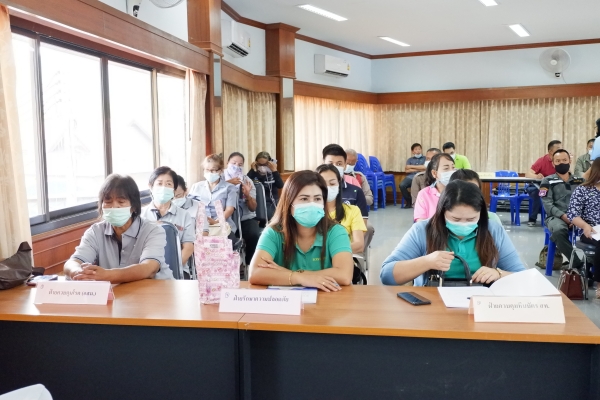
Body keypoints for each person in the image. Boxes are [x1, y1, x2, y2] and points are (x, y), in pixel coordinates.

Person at [380, 181, 525, 286]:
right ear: (442, 212)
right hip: (432, 305)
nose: (463, 224)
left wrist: (499, 274)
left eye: (471, 219)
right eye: (455, 219)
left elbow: (523, 277)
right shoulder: (422, 230)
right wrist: (427, 262)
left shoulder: (492, 230)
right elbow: (386, 275)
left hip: (479, 304)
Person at [249, 170, 354, 291]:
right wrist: (300, 278)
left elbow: (344, 275)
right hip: (285, 301)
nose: (312, 204)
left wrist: (286, 273)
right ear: (289, 203)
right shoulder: (273, 233)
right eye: (304, 199)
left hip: (328, 298)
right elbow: (255, 273)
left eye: (317, 199)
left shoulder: (336, 231)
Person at [64, 174, 173, 282]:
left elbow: (149, 268)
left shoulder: (153, 231)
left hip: (156, 290)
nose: (114, 207)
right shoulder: (95, 232)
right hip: (117, 291)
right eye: (108, 202)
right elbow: (73, 262)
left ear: (133, 206)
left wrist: (106, 275)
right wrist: (78, 272)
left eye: (121, 202)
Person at [140, 166, 195, 278]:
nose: (163, 188)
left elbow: (188, 247)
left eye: (168, 184)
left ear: (174, 189)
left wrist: (172, 269)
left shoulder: (184, 215)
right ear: (151, 186)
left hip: (177, 271)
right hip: (146, 272)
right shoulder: (140, 215)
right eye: (159, 183)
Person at [539, 149, 584, 270]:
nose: (561, 163)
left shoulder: (580, 180)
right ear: (553, 163)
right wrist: (565, 217)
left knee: (594, 230)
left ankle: (591, 262)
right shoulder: (547, 181)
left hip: (578, 216)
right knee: (558, 231)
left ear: (570, 161)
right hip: (555, 217)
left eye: (564, 160)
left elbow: (585, 201)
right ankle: (577, 263)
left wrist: (576, 218)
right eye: (558, 161)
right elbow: (547, 204)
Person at [322, 144, 374, 248]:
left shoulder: (355, 190)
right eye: (330, 163)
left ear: (345, 165)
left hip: (347, 242)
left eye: (339, 164)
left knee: (367, 228)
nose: (334, 167)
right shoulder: (314, 190)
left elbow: (362, 225)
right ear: (324, 163)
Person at [567, 158, 600, 298]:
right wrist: (585, 225)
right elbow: (573, 214)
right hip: (591, 230)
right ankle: (599, 285)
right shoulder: (583, 190)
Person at [317, 164, 366, 254]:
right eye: (322, 184)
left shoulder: (353, 211)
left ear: (339, 184)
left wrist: (330, 251)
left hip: (342, 258)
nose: (327, 188)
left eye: (332, 184)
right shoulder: (311, 212)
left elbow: (359, 245)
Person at [224, 152, 261, 264]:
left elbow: (253, 208)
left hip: (245, 218)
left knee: (253, 234)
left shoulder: (247, 181)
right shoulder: (220, 178)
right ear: (227, 163)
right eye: (234, 163)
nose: (236, 166)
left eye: (240, 164)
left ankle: (250, 264)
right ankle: (228, 265)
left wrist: (248, 196)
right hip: (226, 218)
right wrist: (228, 184)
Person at [188, 154, 237, 238]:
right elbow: (189, 207)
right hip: (199, 226)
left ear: (220, 171)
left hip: (222, 226)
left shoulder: (229, 188)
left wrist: (215, 222)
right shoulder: (196, 187)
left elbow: (229, 209)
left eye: (213, 170)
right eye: (207, 170)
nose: (210, 173)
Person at [525, 140, 562, 227]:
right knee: (540, 193)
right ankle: (532, 218)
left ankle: (559, 218)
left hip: (554, 188)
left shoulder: (561, 161)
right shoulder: (542, 160)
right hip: (537, 187)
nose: (560, 151)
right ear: (550, 151)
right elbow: (528, 173)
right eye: (558, 149)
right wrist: (536, 176)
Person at [413, 153, 455, 222]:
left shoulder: (459, 191)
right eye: (446, 168)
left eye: (453, 168)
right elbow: (421, 223)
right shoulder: (424, 194)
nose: (451, 172)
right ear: (434, 173)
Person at [247, 151, 283, 223]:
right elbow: (246, 181)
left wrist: (274, 171)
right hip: (258, 203)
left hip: (271, 202)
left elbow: (280, 185)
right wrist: (253, 170)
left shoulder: (273, 174)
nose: (262, 167)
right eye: (260, 164)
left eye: (265, 164)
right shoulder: (254, 173)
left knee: (270, 215)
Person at [399, 143, 426, 209]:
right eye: (416, 149)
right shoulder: (409, 160)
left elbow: (425, 168)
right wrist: (419, 168)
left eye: (419, 149)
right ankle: (409, 201)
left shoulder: (425, 158)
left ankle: (422, 204)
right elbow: (407, 170)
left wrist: (412, 167)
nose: (418, 151)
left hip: (421, 176)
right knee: (402, 185)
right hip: (410, 177)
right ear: (412, 151)